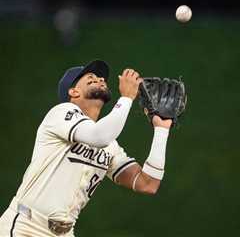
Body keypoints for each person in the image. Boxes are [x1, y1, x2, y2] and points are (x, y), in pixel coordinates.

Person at [0, 60, 172, 237]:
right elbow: (99, 136)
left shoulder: (110, 146)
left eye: (101, 78)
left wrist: (161, 129)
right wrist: (126, 97)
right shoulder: (61, 113)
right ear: (73, 92)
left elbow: (148, 183)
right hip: (26, 226)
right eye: (91, 77)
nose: (99, 79)